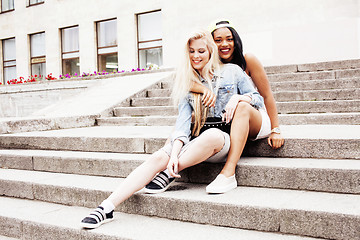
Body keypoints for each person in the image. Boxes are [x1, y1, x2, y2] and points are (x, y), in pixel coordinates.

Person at [80, 30, 263, 229]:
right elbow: (182, 127)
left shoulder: (232, 72)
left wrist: (237, 98)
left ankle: (167, 173)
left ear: (210, 51)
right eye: (191, 51)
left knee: (212, 135)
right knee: (160, 156)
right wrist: (174, 154)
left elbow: (257, 98)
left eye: (201, 51)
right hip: (196, 143)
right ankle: (106, 207)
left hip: (223, 142)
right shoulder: (188, 86)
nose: (196, 56)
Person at [145, 20, 284, 195]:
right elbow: (185, 83)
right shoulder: (207, 65)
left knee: (241, 106)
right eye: (218, 40)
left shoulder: (244, 62)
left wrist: (275, 128)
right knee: (186, 120)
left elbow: (264, 96)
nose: (224, 44)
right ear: (211, 44)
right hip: (227, 122)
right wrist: (202, 89)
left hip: (252, 114)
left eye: (229, 39)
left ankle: (228, 172)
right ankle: (166, 163)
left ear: (236, 40)